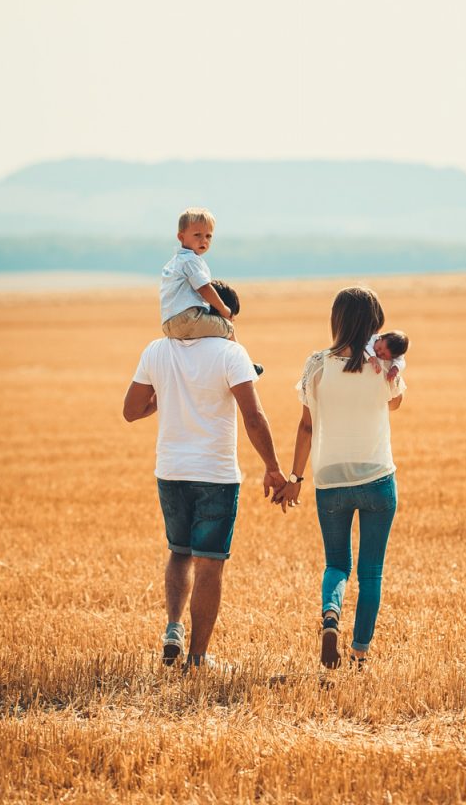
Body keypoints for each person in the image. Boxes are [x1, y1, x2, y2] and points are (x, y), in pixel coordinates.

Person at [123, 280, 286, 671]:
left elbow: (131, 410)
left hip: (171, 470)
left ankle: (173, 629)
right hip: (215, 473)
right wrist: (273, 468)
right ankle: (197, 658)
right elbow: (254, 417)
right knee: (209, 564)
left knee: (179, 553)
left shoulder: (156, 350)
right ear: (220, 313)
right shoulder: (232, 353)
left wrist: (168, 395)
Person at [274, 286, 405, 670]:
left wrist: (295, 477)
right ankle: (360, 653)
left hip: (330, 480)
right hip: (378, 476)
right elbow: (396, 402)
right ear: (373, 323)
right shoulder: (382, 365)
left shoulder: (316, 365)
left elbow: (305, 428)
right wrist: (388, 358)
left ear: (337, 321)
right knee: (371, 573)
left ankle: (331, 614)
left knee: (336, 565)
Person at [160, 207, 236, 341]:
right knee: (228, 327)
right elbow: (204, 288)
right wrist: (224, 309)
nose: (204, 240)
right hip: (188, 320)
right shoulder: (190, 260)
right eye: (197, 235)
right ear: (181, 237)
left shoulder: (175, 262)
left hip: (168, 324)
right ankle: (244, 362)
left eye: (208, 236)